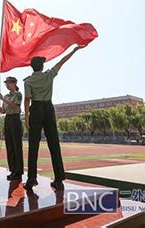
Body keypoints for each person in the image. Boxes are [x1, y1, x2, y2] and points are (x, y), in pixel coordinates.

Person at [23, 45, 85, 191]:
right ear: (42, 66)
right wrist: (74, 51)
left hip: (36, 109)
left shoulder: (28, 81)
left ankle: (32, 179)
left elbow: (27, 99)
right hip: (49, 109)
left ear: (32, 67)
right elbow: (62, 62)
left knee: (33, 145)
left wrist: (26, 117)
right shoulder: (49, 75)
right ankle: (58, 180)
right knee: (54, 144)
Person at [0, 76, 24, 181]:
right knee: (9, 146)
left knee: (16, 146)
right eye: (6, 83)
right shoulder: (6, 96)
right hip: (8, 119)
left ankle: (18, 171)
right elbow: (4, 110)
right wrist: (2, 110)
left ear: (14, 83)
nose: (7, 85)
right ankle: (12, 169)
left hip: (15, 119)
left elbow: (15, 106)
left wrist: (3, 99)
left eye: (8, 83)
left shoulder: (18, 94)